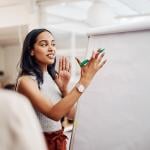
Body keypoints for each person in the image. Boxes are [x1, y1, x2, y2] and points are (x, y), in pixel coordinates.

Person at [16, 28, 107, 150]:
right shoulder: (26, 81)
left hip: (57, 142)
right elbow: (55, 114)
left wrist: (64, 89)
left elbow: (71, 114)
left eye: (53, 44)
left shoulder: (52, 77)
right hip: (38, 143)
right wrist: (84, 80)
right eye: (44, 44)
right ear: (31, 51)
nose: (51, 48)